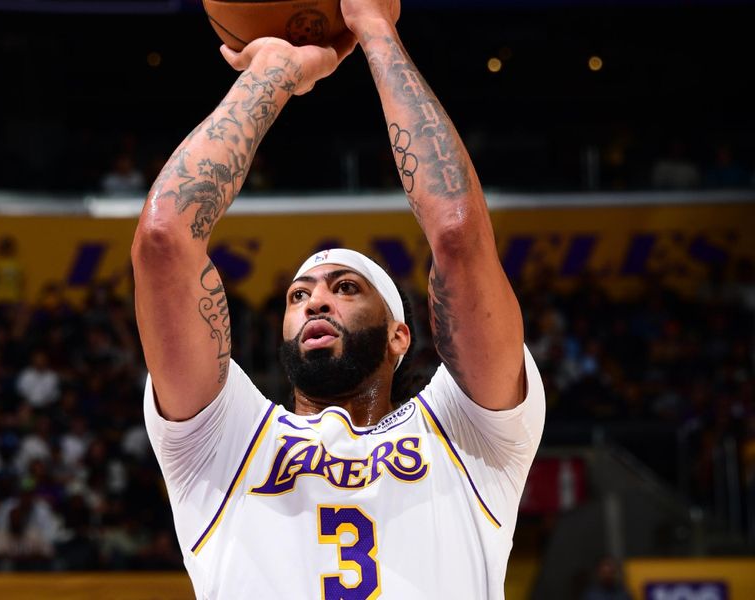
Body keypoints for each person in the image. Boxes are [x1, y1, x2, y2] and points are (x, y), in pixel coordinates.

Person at [132, 0, 545, 597]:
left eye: (345, 288)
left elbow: (457, 235)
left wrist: (376, 30)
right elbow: (165, 238)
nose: (315, 303)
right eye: (298, 295)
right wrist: (272, 71)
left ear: (400, 334)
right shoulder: (223, 441)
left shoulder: (469, 434)